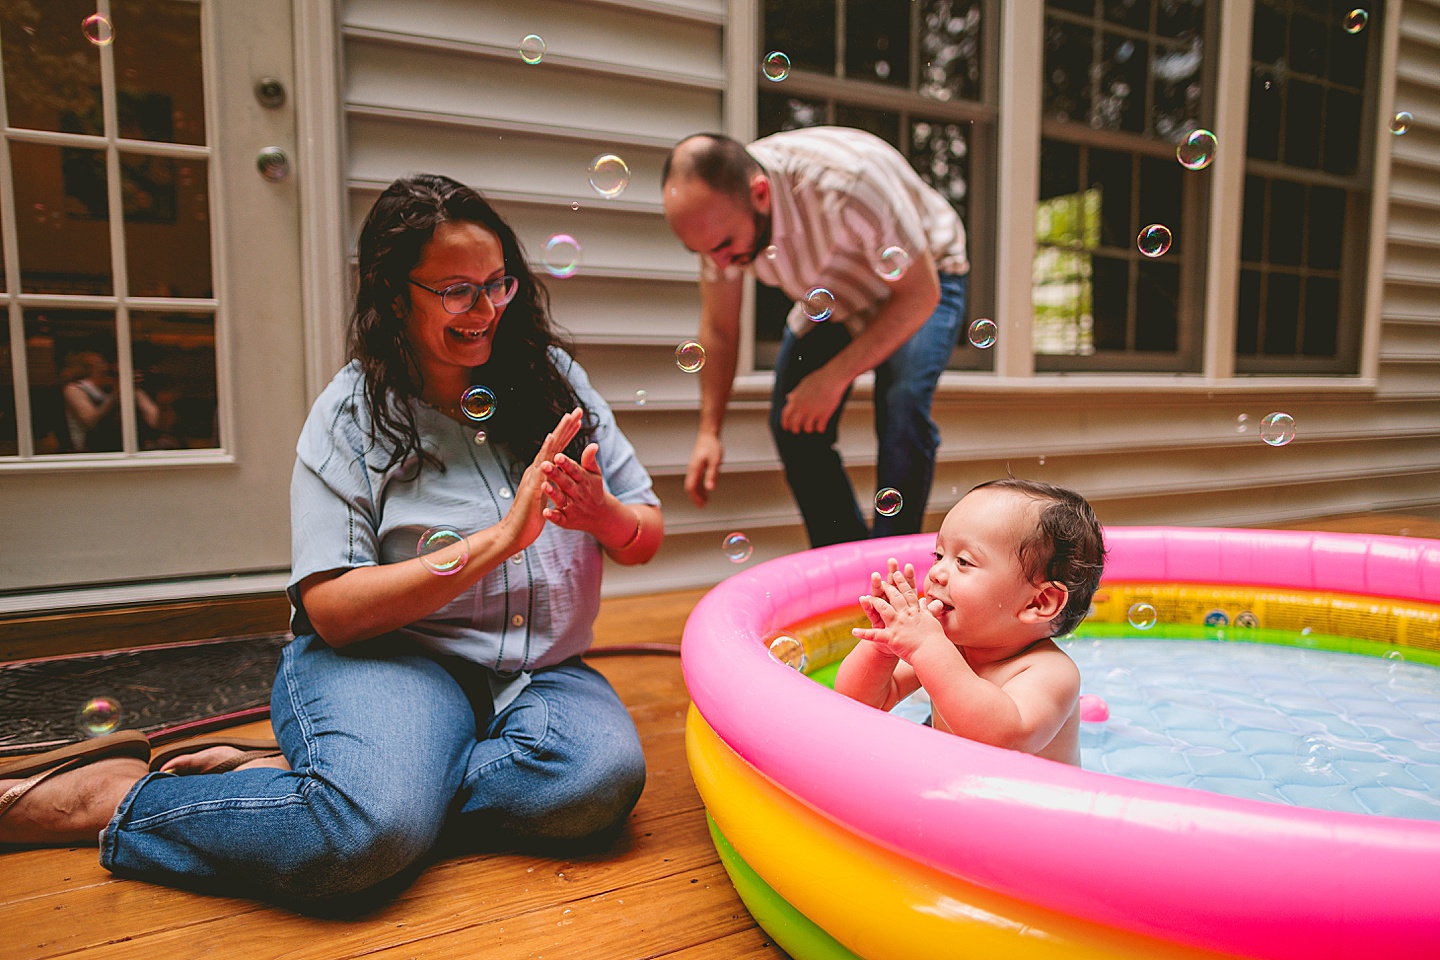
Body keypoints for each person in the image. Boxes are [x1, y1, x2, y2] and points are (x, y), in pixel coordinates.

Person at [0, 173, 664, 905]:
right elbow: (334, 611)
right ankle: (110, 798)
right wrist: (499, 542)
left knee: (594, 783)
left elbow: (644, 531)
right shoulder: (351, 414)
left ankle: (339, 784)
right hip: (391, 663)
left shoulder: (555, 382)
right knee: (362, 840)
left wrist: (602, 516)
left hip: (541, 670)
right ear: (392, 293)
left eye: (499, 283)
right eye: (456, 291)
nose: (486, 310)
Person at [661, 127, 970, 547]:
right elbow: (719, 328)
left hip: (926, 275)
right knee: (792, 424)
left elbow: (920, 294)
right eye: (703, 253)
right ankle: (843, 560)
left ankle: (889, 565)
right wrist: (709, 431)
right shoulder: (718, 226)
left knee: (902, 404)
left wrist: (833, 376)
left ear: (760, 194)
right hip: (838, 288)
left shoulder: (847, 181)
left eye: (725, 247)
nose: (719, 263)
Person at [834, 479, 1105, 765]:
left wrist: (927, 646)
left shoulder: (1051, 672)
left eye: (963, 561)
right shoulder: (947, 645)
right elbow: (857, 701)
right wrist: (883, 648)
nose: (937, 572)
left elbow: (1005, 738)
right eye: (939, 555)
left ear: (1038, 602)